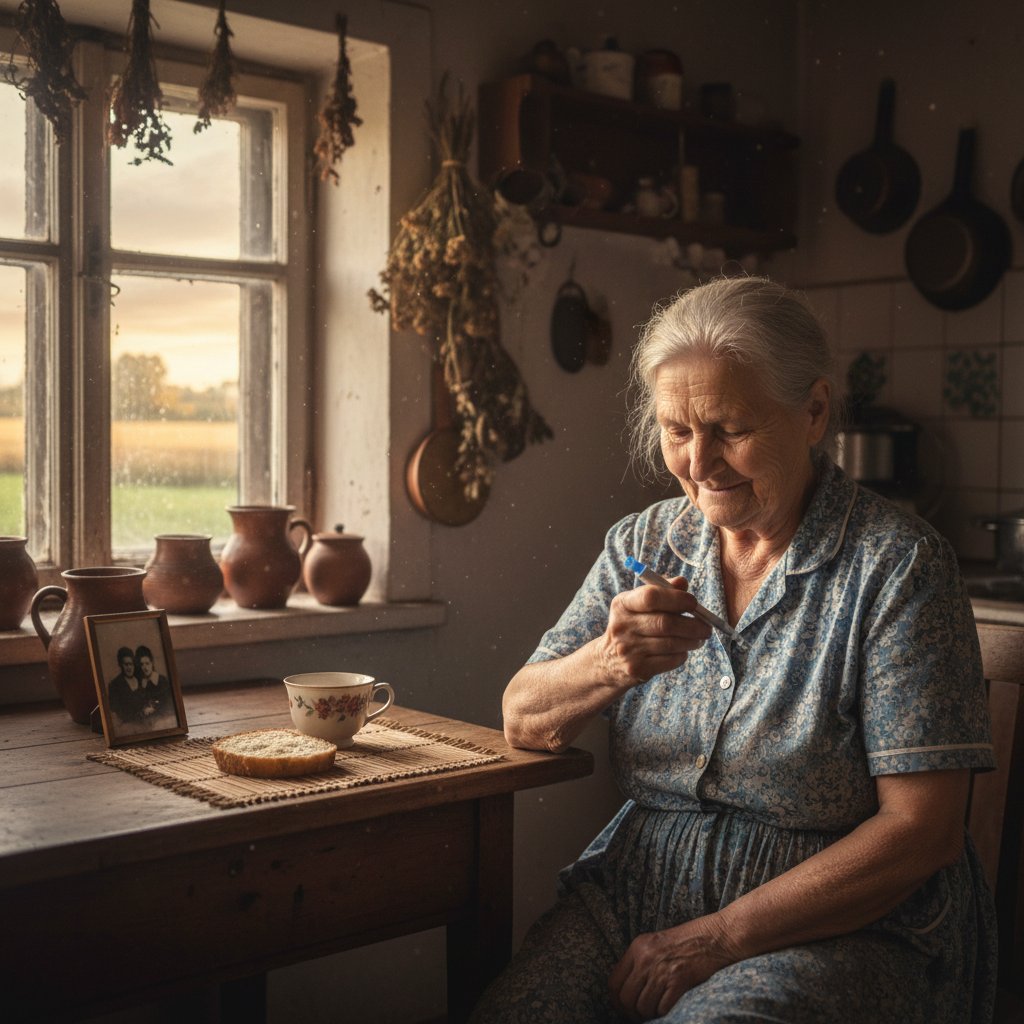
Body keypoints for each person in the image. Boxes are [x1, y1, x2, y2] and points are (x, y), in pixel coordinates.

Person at [470, 276, 996, 1024]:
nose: (700, 462)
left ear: (813, 412)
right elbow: (523, 718)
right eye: (677, 431)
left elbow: (924, 832)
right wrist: (609, 662)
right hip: (632, 900)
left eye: (731, 429)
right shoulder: (644, 545)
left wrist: (714, 941)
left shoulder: (897, 567)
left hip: (839, 929)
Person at [107, 646, 146, 725]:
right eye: (126, 664)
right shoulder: (114, 685)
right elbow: (115, 711)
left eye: (131, 664)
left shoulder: (140, 680)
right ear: (121, 665)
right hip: (127, 725)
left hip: (145, 722)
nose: (129, 667)